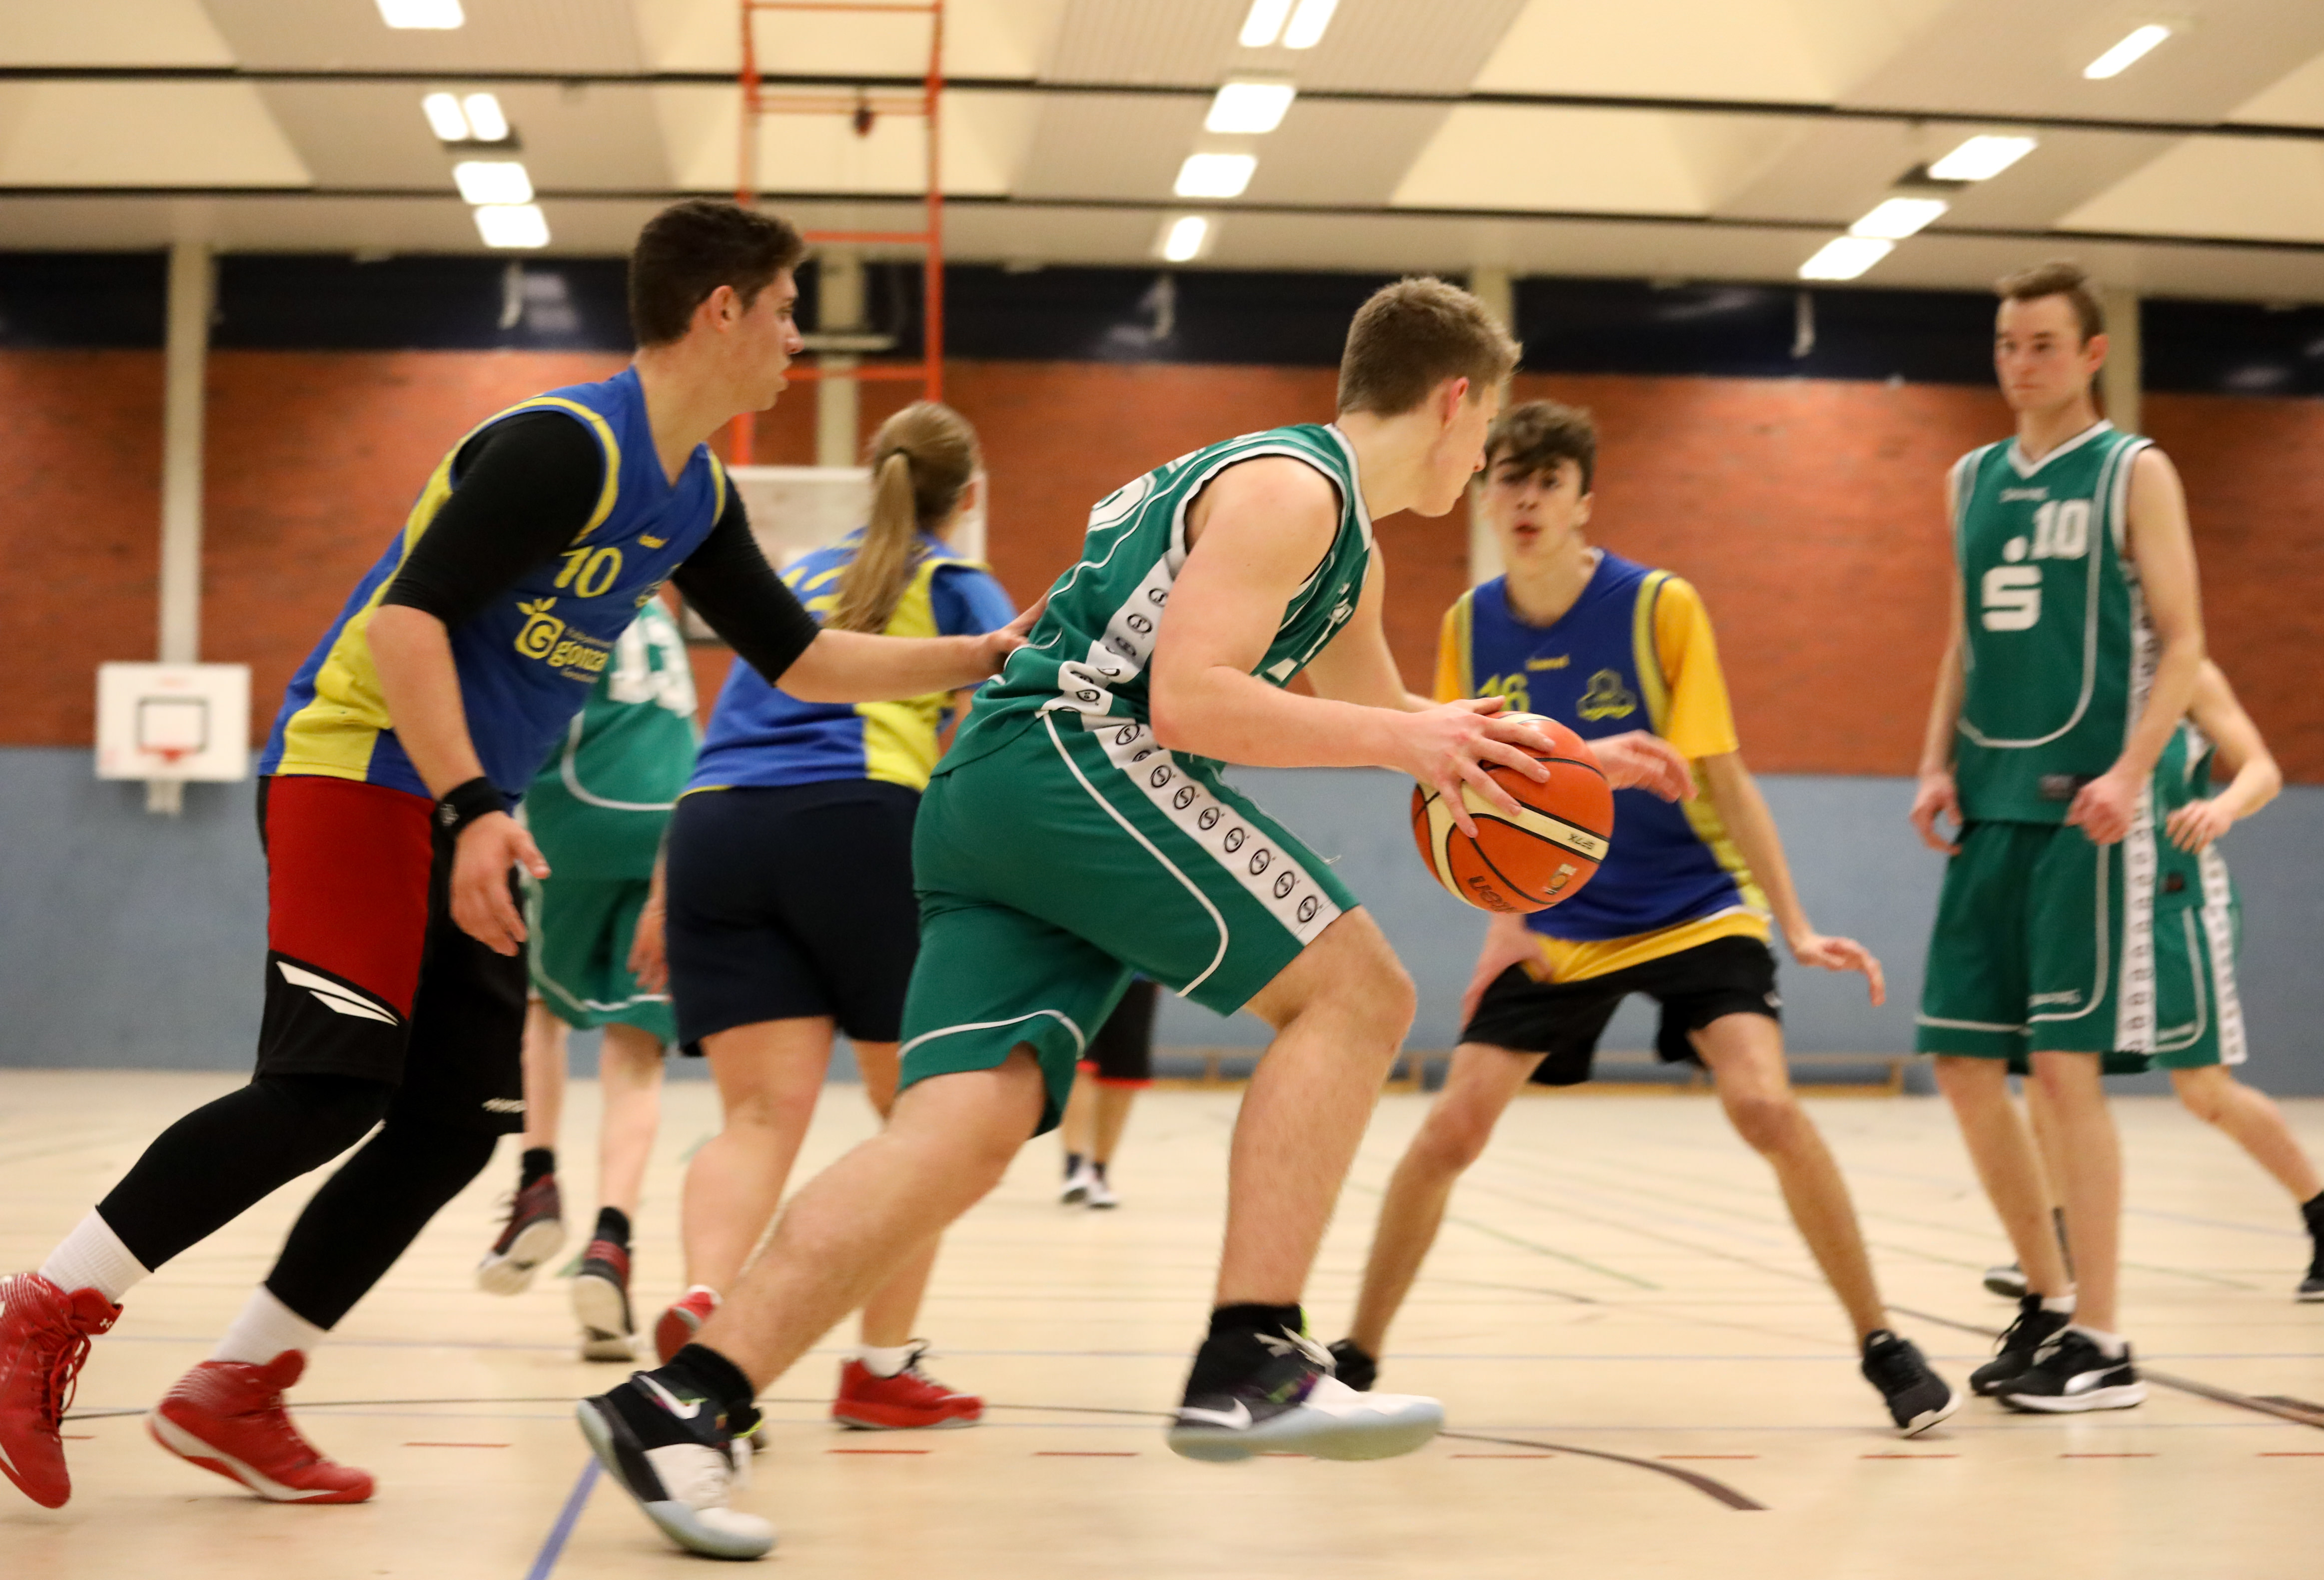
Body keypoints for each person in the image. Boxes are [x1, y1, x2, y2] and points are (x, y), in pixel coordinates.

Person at [573, 277, 1695, 1561]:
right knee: (1358, 991)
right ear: (1455, 400)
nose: (1485, 453)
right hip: (1079, 763)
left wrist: (1563, 762)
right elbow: (1188, 704)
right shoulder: (1293, 492)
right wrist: (1408, 740)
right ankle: (1252, 1352)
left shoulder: (1336, 533)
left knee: (958, 1133)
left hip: (998, 793)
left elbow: (1391, 715)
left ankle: (685, 1400)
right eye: (1488, 423)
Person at [0, 199, 1033, 1513]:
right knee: (325, 1087)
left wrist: (980, 653)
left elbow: (801, 656)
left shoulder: (696, 492)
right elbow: (407, 626)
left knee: (455, 1122)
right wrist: (475, 804)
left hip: (455, 804)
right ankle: (41, 1307)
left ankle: (236, 1387)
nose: (796, 341)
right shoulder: (564, 445)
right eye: (783, 311)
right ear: (719, 309)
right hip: (359, 773)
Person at [1326, 400, 1958, 1437]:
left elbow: (1725, 776)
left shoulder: (1659, 606)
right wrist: (1502, 920)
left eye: (1549, 481)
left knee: (1763, 1105)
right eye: (1508, 478)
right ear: (1484, 494)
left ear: (1583, 500)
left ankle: (1882, 1341)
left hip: (1692, 901)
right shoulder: (1467, 626)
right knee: (1449, 1128)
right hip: (1559, 919)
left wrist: (1794, 924)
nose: (1526, 498)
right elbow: (1461, 786)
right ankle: (1352, 1359)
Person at [648, 400, 1014, 1434]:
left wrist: (666, 888)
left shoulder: (799, 573)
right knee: (925, 1124)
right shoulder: (959, 587)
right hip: (855, 820)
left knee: (756, 1119)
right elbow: (1001, 737)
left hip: (712, 827)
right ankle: (880, 1369)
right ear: (967, 496)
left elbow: (729, 721)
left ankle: (708, 1304)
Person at [1910, 259, 2207, 1415]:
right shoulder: (1968, 479)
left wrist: (2132, 773)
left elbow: (2182, 641)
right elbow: (1959, 638)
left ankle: (2104, 1339)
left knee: (2063, 1072)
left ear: (2090, 354)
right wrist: (1933, 759)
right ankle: (2045, 1296)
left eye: (2040, 343)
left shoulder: (2134, 470)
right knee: (1961, 1061)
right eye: (2005, 343)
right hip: (1987, 802)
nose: (2018, 362)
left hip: (2087, 811)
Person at [1977, 661, 2324, 1304]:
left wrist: (2222, 807)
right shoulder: (2068, 667)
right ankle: (2061, 1240)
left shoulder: (2187, 674)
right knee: (2051, 1070)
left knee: (2204, 1091)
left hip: (2174, 902)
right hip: (2086, 899)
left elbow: (2262, 770)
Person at [473, 598, 700, 1363]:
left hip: (576, 813)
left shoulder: (563, 595)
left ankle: (536, 1182)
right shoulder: (662, 609)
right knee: (637, 1049)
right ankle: (611, 1244)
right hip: (673, 824)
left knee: (539, 1005)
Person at [1059, 978, 1157, 1209]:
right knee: (1080, 1063)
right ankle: (1074, 1167)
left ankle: (1099, 1173)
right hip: (1081, 970)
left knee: (1122, 1075)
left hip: (1139, 973)